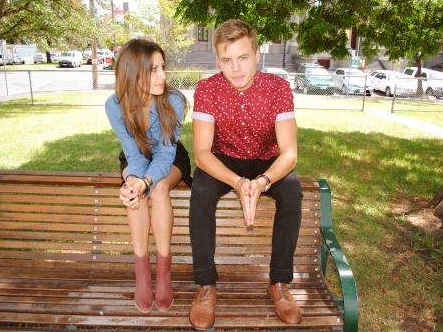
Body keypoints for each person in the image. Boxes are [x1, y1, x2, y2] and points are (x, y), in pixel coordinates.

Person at [188, 19, 303, 329]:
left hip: (266, 160)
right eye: (227, 59)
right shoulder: (207, 88)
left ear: (257, 54)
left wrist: (263, 181)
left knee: (292, 191)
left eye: (243, 57)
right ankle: (206, 284)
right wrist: (238, 183)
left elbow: (289, 152)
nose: (235, 68)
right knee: (200, 191)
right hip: (222, 159)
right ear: (218, 60)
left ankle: (279, 282)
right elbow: (201, 153)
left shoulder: (278, 88)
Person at [105, 38, 192, 313]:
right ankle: (142, 273)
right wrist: (135, 181)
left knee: (159, 189)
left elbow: (166, 155)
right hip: (136, 157)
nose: (163, 76)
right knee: (135, 190)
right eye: (154, 69)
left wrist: (146, 182)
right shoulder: (114, 105)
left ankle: (164, 272)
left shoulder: (175, 100)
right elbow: (133, 155)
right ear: (133, 72)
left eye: (163, 67)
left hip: (171, 155)